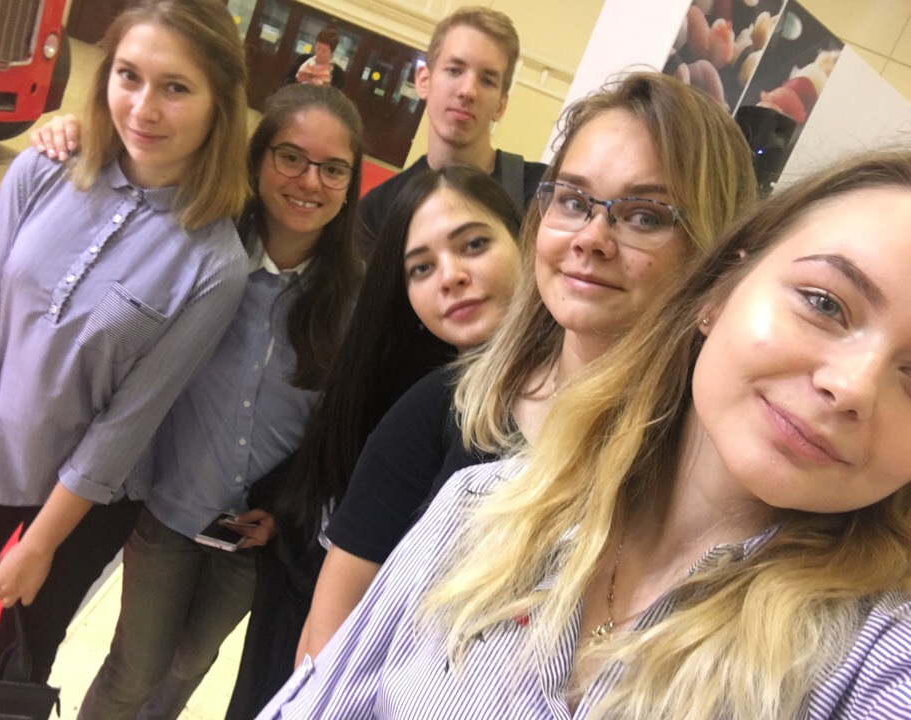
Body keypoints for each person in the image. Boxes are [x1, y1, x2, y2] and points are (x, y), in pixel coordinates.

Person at [260, 148, 911, 719]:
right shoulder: (479, 505)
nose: (852, 386)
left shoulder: (874, 657)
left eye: (645, 215)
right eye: (824, 302)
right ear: (720, 289)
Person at [296, 71, 759, 662]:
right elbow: (323, 648)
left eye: (644, 215)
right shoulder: (449, 408)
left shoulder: (714, 471)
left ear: (718, 258)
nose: (591, 238)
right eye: (573, 201)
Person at [0, 0, 250, 683]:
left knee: (18, 663)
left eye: (175, 88)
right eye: (128, 76)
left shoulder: (214, 263)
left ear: (219, 105)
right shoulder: (42, 170)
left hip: (84, 505)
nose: (143, 108)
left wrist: (42, 545)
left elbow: (128, 423)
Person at [69, 84, 363, 720]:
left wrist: (287, 510)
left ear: (350, 183)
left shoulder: (352, 303)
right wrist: (71, 137)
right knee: (134, 672)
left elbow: (338, 429)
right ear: (258, 159)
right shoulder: (206, 258)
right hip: (169, 508)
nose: (310, 181)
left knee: (188, 668)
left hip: (253, 534)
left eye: (333, 168)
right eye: (291, 157)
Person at [224, 165, 523, 720]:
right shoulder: (430, 403)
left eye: (474, 245)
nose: (451, 277)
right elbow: (334, 616)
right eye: (421, 268)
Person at [357, 6, 546, 255]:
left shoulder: (541, 192)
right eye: (455, 70)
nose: (467, 91)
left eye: (487, 80)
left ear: (501, 105)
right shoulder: (378, 210)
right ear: (424, 81)